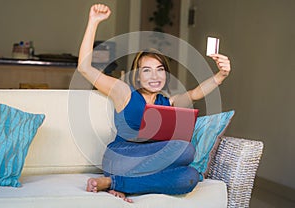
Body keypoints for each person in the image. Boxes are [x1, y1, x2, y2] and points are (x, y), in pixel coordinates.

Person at [78, 4, 231, 203]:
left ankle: (115, 184)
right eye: (147, 70)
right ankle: (119, 179)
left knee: (190, 176)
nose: (155, 76)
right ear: (137, 75)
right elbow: (84, 68)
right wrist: (93, 21)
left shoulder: (167, 101)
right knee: (186, 149)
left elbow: (195, 93)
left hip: (151, 162)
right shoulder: (123, 91)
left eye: (159, 69)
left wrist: (220, 75)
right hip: (121, 156)